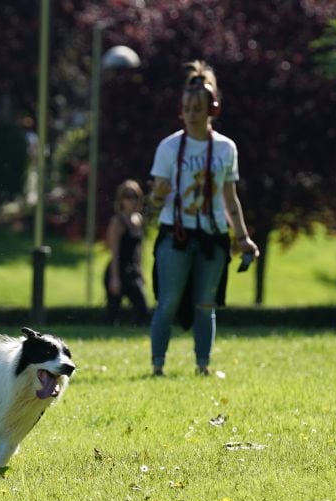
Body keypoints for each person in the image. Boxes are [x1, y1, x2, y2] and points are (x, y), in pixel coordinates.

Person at [147, 60, 259, 376]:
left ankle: (203, 365)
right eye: (186, 108)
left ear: (213, 109)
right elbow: (154, 203)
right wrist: (157, 194)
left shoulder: (226, 148)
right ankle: (157, 367)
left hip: (213, 236)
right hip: (176, 233)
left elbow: (229, 197)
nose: (191, 114)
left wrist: (242, 237)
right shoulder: (168, 147)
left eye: (198, 108)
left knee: (206, 305)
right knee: (167, 302)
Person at [103, 179, 149, 325]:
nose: (132, 200)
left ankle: (133, 334)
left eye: (135, 196)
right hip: (119, 270)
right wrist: (114, 278)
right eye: (128, 196)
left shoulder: (139, 220)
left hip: (133, 270)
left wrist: (140, 271)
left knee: (143, 310)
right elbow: (114, 252)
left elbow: (139, 249)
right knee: (113, 313)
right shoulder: (117, 222)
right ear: (121, 199)